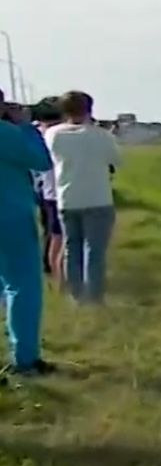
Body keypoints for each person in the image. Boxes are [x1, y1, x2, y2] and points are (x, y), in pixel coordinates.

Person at [47, 90, 122, 305]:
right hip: (97, 198)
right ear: (89, 109)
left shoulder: (53, 134)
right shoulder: (101, 135)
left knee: (72, 249)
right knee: (94, 251)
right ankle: (94, 297)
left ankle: (76, 296)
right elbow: (117, 161)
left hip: (67, 198)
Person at [0, 89, 56, 377]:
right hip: (11, 217)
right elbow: (42, 161)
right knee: (21, 285)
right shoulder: (8, 134)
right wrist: (25, 126)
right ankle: (25, 359)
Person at [31, 100, 64, 279]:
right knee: (58, 234)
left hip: (45, 189)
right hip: (57, 190)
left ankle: (48, 266)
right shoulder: (58, 134)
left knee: (49, 230)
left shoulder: (36, 134)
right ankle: (56, 270)